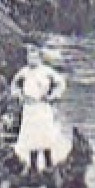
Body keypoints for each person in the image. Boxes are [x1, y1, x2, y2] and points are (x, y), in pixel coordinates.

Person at [11, 45, 69, 177]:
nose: (31, 59)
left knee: (45, 135)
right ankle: (33, 167)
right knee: (31, 136)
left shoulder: (47, 71)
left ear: (40, 58)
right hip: (29, 108)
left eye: (34, 57)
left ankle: (48, 165)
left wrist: (52, 96)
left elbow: (61, 84)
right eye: (29, 57)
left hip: (43, 107)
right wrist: (20, 96)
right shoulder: (23, 72)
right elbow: (14, 85)